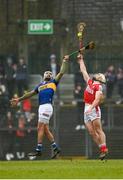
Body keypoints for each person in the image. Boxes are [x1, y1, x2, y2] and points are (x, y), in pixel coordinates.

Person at [10, 55, 69, 159]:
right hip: (41, 108)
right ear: (43, 75)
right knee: (45, 129)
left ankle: (38, 150)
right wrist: (18, 99)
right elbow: (30, 93)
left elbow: (61, 72)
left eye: (50, 73)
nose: (48, 74)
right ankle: (56, 148)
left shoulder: (53, 82)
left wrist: (64, 61)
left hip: (46, 107)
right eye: (47, 73)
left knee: (39, 127)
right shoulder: (40, 85)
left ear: (51, 76)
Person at [77, 53, 108, 160]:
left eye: (100, 75)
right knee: (91, 132)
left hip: (93, 108)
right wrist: (81, 60)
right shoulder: (90, 82)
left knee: (98, 130)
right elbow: (84, 71)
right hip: (87, 107)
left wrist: (91, 107)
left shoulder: (99, 86)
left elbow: (97, 99)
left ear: (100, 79)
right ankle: (102, 149)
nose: (98, 74)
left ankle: (104, 148)